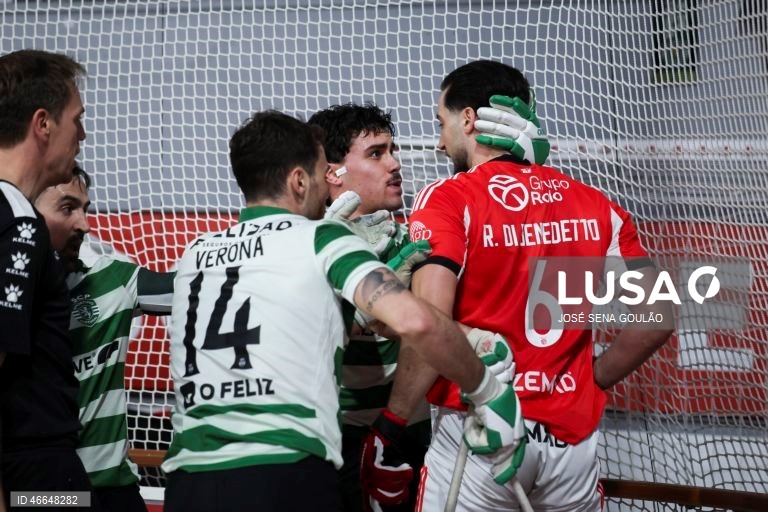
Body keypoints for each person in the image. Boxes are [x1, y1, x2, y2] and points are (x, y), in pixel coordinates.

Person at [161, 110, 522, 512]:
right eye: (321, 173)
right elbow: (417, 321)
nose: (395, 163)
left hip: (190, 474)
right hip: (289, 464)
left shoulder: (195, 253)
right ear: (303, 179)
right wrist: (487, 387)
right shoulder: (326, 238)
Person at [381, 60, 673, 511]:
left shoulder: (450, 197)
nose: (440, 142)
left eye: (441, 123)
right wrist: (590, 381)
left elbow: (427, 323)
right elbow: (659, 318)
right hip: (570, 447)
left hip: (481, 433)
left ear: (469, 119)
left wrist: (394, 421)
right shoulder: (595, 204)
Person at [309, 101, 551, 512]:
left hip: (412, 430)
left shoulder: (414, 237)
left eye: (393, 150)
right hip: (341, 435)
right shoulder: (310, 241)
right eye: (376, 153)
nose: (395, 164)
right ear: (333, 172)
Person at [34, 165, 175, 512]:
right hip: (46, 493)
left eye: (86, 208)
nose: (85, 224)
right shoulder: (15, 295)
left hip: (115, 491)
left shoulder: (113, 279)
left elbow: (191, 286)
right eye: (68, 208)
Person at [0, 49, 94, 510]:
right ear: (43, 124)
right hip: (39, 472)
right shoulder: (18, 220)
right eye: (77, 119)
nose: (82, 134)